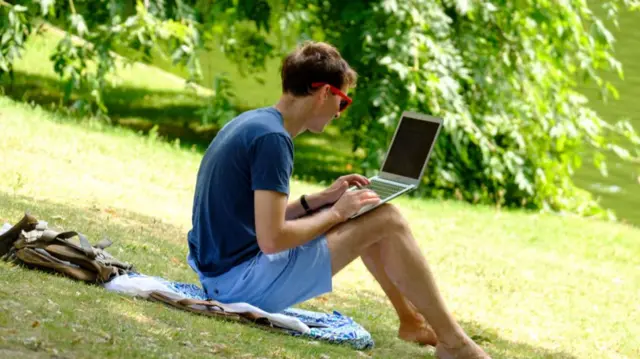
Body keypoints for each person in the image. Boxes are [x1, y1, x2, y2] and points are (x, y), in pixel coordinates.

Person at [186, 41, 490, 359]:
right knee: (388, 219)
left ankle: (412, 320)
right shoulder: (274, 141)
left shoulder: (255, 123)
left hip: (222, 276)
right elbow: (272, 239)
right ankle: (454, 343)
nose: (339, 114)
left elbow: (251, 218)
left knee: (369, 216)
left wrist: (322, 201)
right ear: (325, 93)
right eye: (342, 102)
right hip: (240, 286)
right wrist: (337, 214)